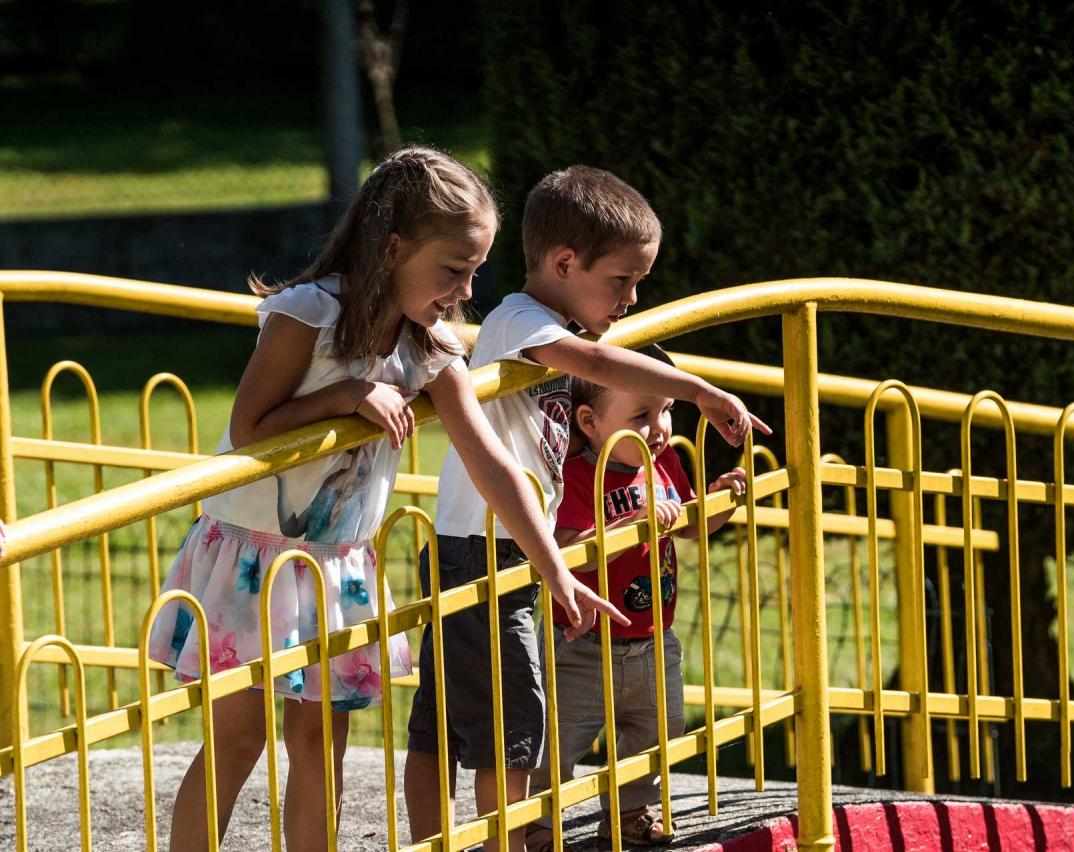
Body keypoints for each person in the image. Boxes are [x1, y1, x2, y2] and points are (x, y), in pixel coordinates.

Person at [146, 147, 625, 851]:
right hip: (254, 558)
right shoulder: (309, 315)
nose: (463, 292)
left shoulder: (430, 349)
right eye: (452, 270)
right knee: (237, 739)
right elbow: (248, 428)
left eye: (474, 273)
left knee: (321, 746)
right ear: (393, 247)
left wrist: (554, 569)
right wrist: (347, 396)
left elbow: (492, 465)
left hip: (334, 566)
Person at [404, 165, 769, 851]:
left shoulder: (540, 323)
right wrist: (700, 391)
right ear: (564, 262)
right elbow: (596, 364)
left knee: (447, 720)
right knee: (508, 729)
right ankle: (502, 843)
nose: (631, 299)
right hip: (486, 549)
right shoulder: (521, 320)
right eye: (623, 281)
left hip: (489, 543)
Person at [526, 345, 747, 849]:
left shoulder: (664, 461)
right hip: (580, 645)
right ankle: (537, 820)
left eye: (667, 410)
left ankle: (629, 811)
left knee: (657, 732)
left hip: (654, 639)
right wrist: (624, 526)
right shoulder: (579, 476)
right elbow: (563, 553)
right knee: (558, 741)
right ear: (590, 421)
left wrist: (720, 498)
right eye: (642, 415)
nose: (661, 427)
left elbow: (693, 526)